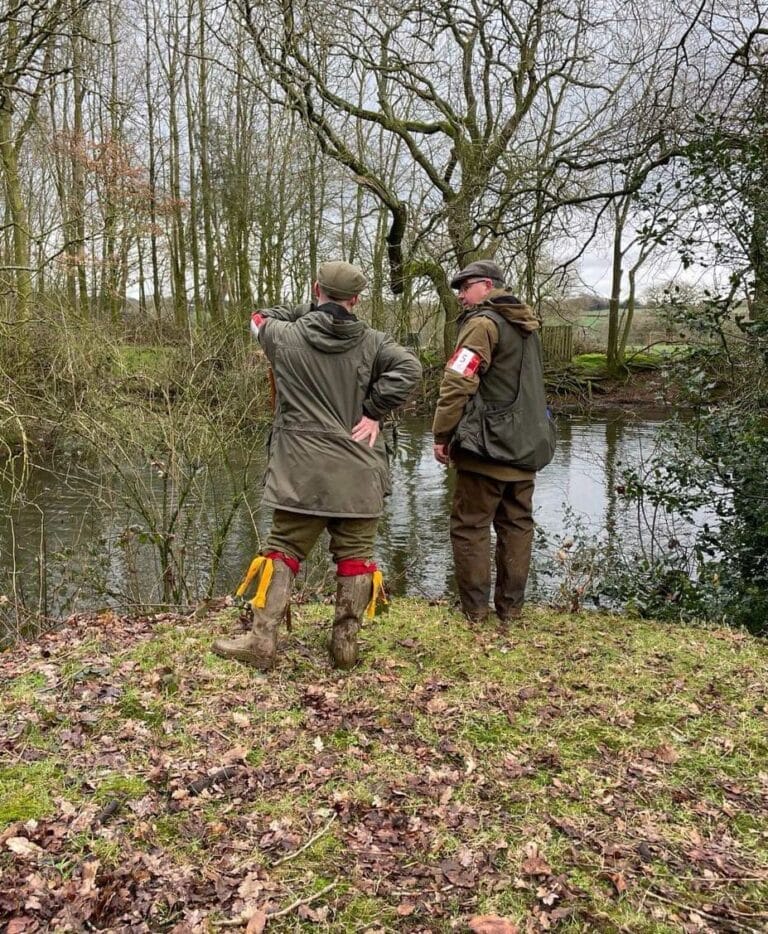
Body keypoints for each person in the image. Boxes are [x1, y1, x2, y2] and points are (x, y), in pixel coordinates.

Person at [213, 261, 422, 670]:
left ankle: (261, 641)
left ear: (315, 289)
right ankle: (345, 647)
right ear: (357, 299)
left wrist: (307, 310)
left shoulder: (283, 337)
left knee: (284, 549)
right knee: (356, 555)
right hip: (359, 471)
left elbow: (258, 317)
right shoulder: (376, 342)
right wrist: (373, 411)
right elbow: (410, 369)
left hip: (300, 471)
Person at [432, 260, 555, 624]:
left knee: (470, 526)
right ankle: (511, 610)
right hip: (527, 446)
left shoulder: (483, 325)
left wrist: (442, 434)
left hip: (487, 448)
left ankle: (474, 612)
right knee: (517, 525)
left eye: (464, 287)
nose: (459, 295)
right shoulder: (527, 327)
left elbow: (458, 382)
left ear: (486, 285)